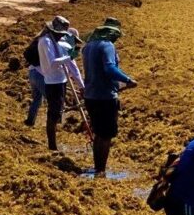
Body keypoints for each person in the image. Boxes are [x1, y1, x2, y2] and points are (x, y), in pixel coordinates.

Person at [82, 18, 137, 176]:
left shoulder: (88, 47)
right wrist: (128, 80)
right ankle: (101, 171)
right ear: (111, 34)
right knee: (106, 136)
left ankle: (97, 168)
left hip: (90, 95)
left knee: (99, 134)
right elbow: (109, 68)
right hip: (105, 96)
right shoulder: (107, 46)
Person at [36, 16, 73, 151]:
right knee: (53, 113)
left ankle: (54, 143)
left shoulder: (53, 40)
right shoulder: (45, 41)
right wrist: (70, 57)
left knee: (57, 112)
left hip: (59, 80)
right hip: (53, 81)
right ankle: (52, 145)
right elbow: (52, 63)